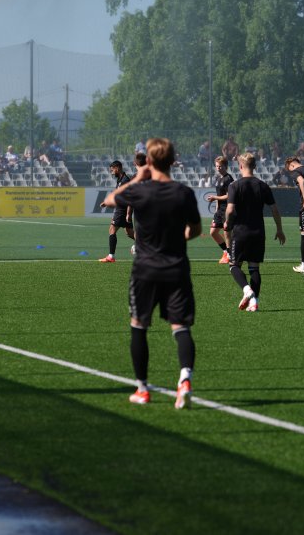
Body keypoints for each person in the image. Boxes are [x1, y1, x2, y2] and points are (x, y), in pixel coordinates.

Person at [102, 138, 200, 410]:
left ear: (149, 162)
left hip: (146, 269)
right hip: (177, 267)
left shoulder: (139, 192)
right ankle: (185, 380)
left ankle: (143, 389)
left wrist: (138, 178)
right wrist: (179, 239)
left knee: (139, 326)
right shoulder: (184, 192)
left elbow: (110, 200)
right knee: (180, 327)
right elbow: (196, 230)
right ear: (172, 161)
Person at [224, 153, 286, 312]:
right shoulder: (263, 185)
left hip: (240, 232)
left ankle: (246, 289)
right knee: (254, 268)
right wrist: (279, 229)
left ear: (240, 166)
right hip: (259, 232)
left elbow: (230, 210)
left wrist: (227, 224)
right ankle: (254, 303)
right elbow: (275, 210)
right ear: (255, 167)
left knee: (233, 265)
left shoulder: (234, 186)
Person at [99, 160, 136, 263]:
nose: (111, 173)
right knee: (129, 233)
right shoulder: (120, 180)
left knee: (112, 230)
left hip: (122, 209)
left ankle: (111, 256)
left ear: (117, 168)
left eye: (112, 170)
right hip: (121, 209)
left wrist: (128, 213)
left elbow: (130, 197)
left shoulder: (125, 180)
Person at [207, 156, 235, 264]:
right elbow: (219, 195)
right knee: (213, 232)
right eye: (217, 166)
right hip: (220, 210)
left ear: (226, 166)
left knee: (227, 233)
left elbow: (229, 195)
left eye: (221, 166)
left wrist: (215, 198)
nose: (218, 168)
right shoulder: (218, 179)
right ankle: (225, 251)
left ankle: (230, 255)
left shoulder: (229, 179)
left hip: (227, 209)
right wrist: (216, 208)